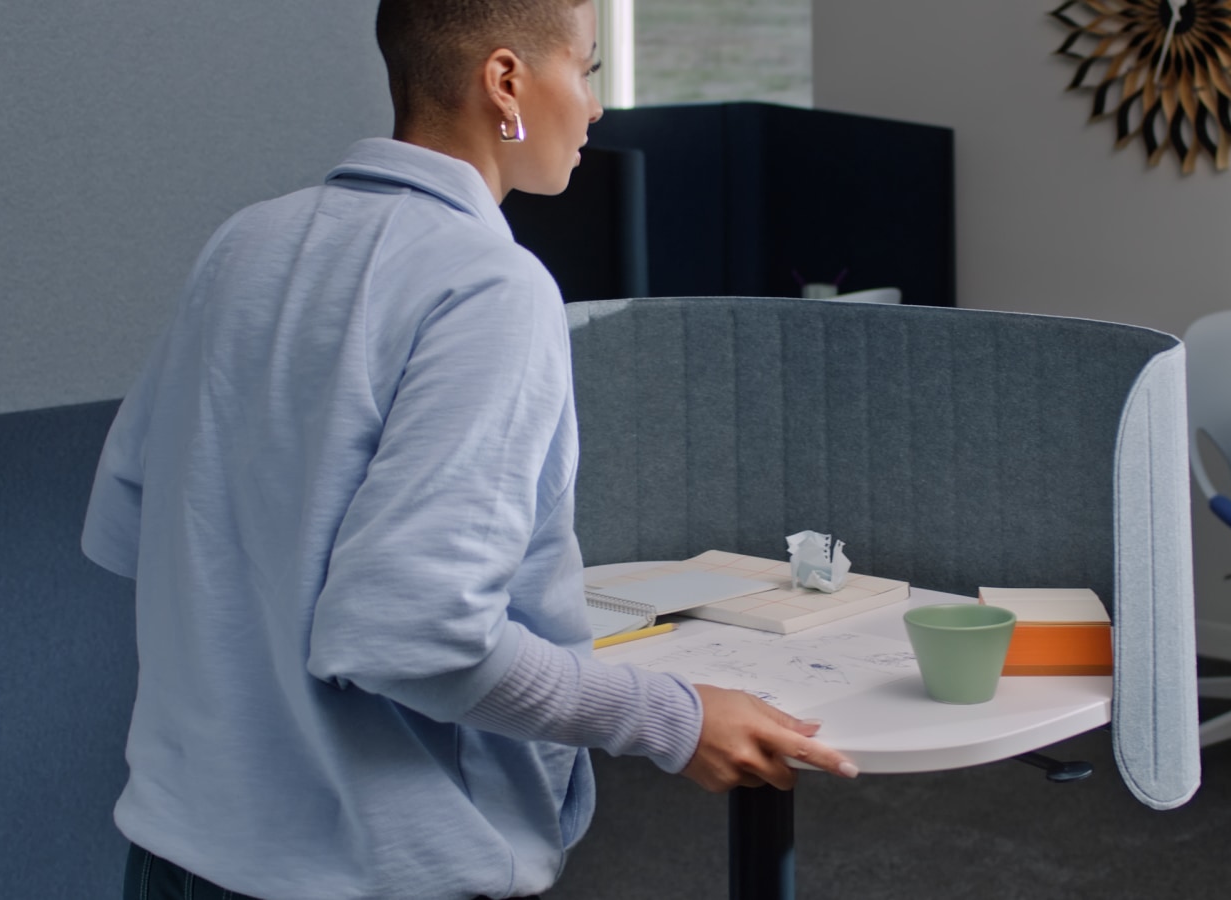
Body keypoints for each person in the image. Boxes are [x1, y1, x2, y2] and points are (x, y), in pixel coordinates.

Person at [81, 2, 856, 898]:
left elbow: (132, 524)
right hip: (368, 873)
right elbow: (415, 636)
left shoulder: (244, 243)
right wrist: (671, 721)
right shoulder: (489, 285)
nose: (595, 106)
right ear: (506, 81)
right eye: (587, 70)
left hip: (177, 857)